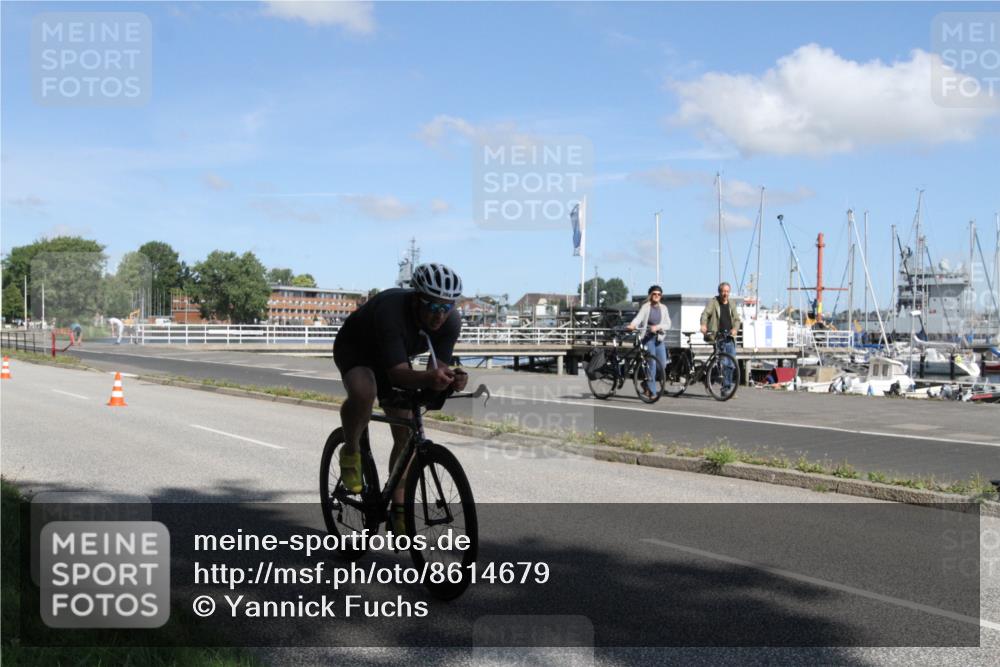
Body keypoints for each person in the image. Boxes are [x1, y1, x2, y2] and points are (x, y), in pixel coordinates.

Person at [333, 263, 468, 532]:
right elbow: (397, 375)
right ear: (417, 298)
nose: (439, 315)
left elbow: (435, 371)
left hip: (393, 356)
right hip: (357, 348)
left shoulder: (451, 322)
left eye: (446, 307)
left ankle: (399, 509)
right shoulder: (391, 310)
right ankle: (350, 451)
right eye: (432, 306)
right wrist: (431, 379)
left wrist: (451, 379)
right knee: (365, 392)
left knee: (405, 431)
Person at [626, 285, 671, 398]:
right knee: (652, 363)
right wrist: (632, 325)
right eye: (654, 294)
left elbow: (668, 324)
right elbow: (638, 318)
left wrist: (658, 327)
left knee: (663, 364)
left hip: (659, 338)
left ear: (661, 296)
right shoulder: (646, 307)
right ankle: (652, 391)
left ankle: (646, 383)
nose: (656, 296)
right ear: (650, 295)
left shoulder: (664, 308)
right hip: (648, 338)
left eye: (659, 294)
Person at [700, 282, 741, 392]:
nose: (725, 294)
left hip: (730, 338)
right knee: (723, 363)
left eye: (727, 291)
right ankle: (722, 387)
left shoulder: (732, 303)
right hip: (718, 337)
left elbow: (737, 319)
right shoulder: (714, 302)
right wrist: (703, 325)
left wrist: (735, 329)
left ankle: (725, 388)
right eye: (723, 291)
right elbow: (705, 314)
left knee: (731, 364)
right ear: (719, 292)